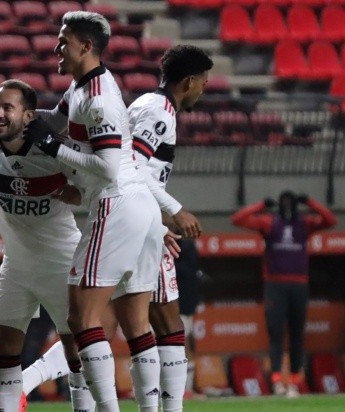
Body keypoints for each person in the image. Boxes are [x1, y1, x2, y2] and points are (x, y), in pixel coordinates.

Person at [24, 11, 171, 412]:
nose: (57, 48)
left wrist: (52, 149)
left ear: (85, 46)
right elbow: (54, 121)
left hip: (117, 203)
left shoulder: (98, 98)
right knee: (136, 323)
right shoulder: (84, 87)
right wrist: (11, 116)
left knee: (82, 316)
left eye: (63, 41)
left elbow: (106, 167)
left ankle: (105, 408)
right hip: (139, 206)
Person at [0, 79, 95, 412]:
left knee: (75, 347)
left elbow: (99, 184)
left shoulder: (55, 152)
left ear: (28, 116)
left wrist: (78, 193)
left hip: (61, 261)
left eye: (8, 107)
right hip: (16, 264)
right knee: (4, 345)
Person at [127, 45, 213, 411]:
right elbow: (132, 165)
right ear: (189, 81)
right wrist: (173, 211)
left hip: (130, 219)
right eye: (203, 83)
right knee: (169, 326)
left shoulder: (145, 103)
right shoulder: (159, 112)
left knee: (95, 326)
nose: (203, 90)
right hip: (138, 225)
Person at [231, 192, 337, 398]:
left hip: (299, 285)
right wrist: (261, 204)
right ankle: (278, 382)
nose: (288, 207)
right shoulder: (270, 223)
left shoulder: (304, 224)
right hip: (275, 285)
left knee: (297, 335)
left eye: (292, 203)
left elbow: (330, 220)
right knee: (276, 334)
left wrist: (311, 203)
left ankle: (296, 382)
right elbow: (238, 219)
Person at [174, 238, 202, 396]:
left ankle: (187, 389)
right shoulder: (155, 240)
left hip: (182, 305)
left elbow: (189, 273)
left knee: (183, 344)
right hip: (158, 304)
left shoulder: (187, 246)